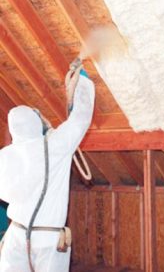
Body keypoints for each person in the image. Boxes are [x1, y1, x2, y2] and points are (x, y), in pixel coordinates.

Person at [0, 54, 95, 272]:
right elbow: (80, 117)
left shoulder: (5, 156)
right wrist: (81, 81)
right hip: (48, 241)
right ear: (36, 123)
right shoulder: (54, 146)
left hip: (16, 236)